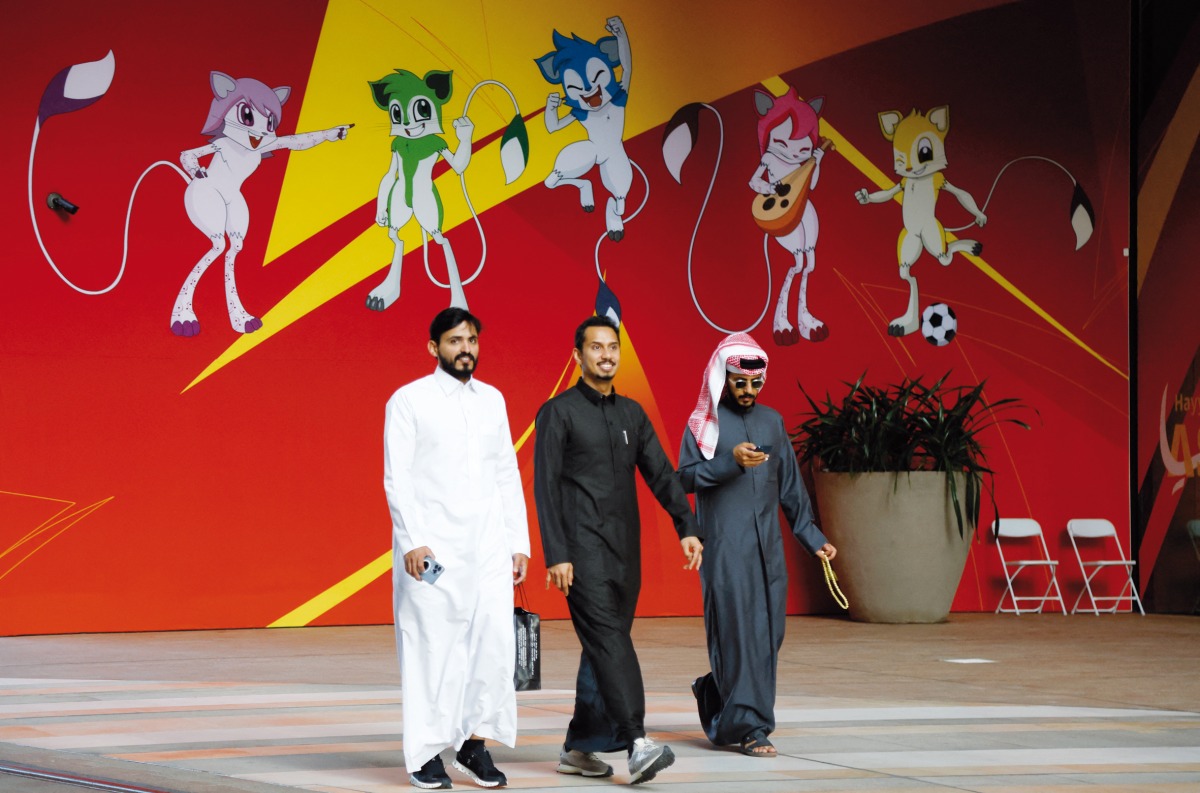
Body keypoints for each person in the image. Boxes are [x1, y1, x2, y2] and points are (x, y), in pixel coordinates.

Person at [533, 315, 704, 785]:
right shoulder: (558, 412)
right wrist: (556, 553)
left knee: (603, 647)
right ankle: (637, 742)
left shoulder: (632, 413)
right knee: (609, 640)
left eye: (613, 348)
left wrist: (685, 526)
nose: (606, 355)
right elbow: (544, 488)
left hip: (625, 551)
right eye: (596, 347)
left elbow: (661, 473)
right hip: (580, 550)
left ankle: (578, 748)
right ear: (578, 356)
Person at [384, 307, 531, 790]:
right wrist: (412, 540)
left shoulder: (492, 400)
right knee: (432, 646)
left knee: (491, 647)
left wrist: (518, 542)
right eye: (454, 341)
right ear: (434, 348)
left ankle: (474, 745)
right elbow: (397, 477)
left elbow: (506, 473)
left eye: (471, 340)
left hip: (488, 548)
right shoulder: (408, 401)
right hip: (433, 553)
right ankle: (425, 754)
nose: (465, 348)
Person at [677, 333, 836, 757]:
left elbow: (791, 490)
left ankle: (715, 693)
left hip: (769, 551)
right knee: (740, 636)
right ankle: (752, 727)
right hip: (725, 550)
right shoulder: (703, 425)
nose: (748, 392)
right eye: (739, 383)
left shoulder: (772, 422)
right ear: (723, 378)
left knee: (768, 638)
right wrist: (729, 464)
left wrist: (813, 538)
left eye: (755, 384)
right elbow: (683, 480)